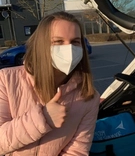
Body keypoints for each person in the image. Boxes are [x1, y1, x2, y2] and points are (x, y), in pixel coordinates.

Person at [0, 11, 100, 155]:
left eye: (75, 42)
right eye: (58, 42)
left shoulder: (89, 97)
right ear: (42, 45)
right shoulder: (6, 80)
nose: (69, 49)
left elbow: (76, 152)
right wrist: (43, 118)